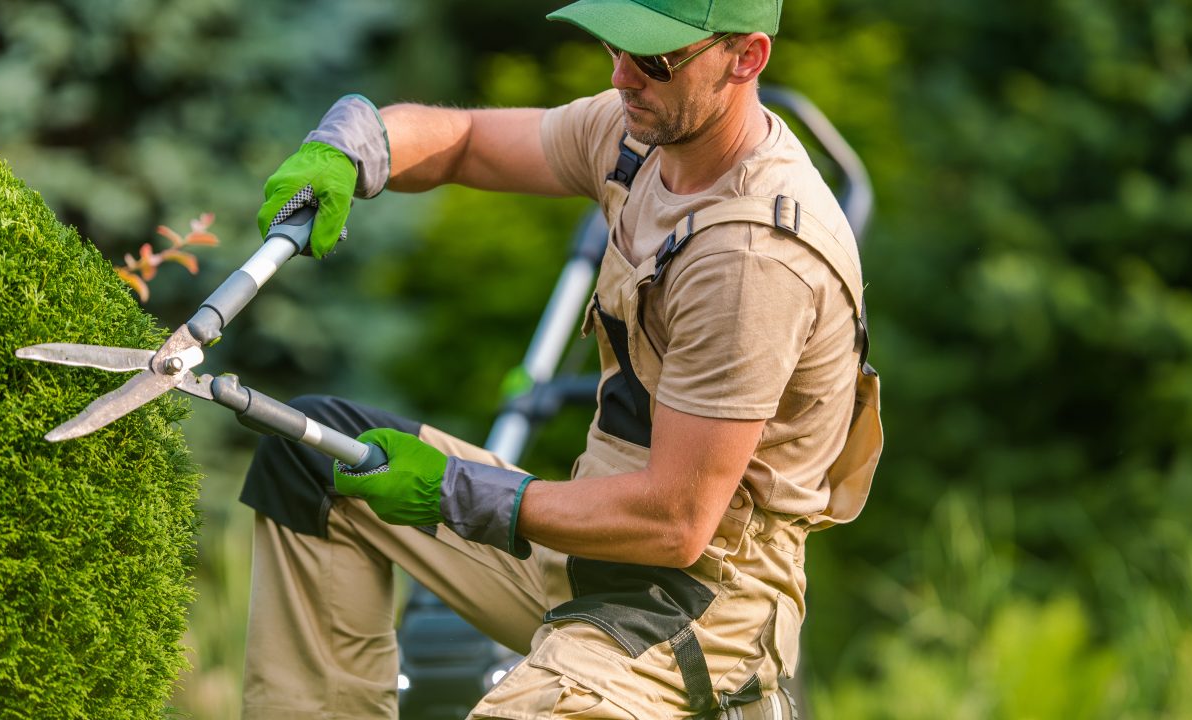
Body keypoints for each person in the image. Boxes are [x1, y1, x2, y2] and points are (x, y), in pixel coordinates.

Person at [238, 0, 882, 717]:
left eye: (654, 60)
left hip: (691, 609)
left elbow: (675, 521)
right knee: (314, 461)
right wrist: (356, 143)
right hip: (579, 548)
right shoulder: (640, 135)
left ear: (747, 59)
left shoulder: (755, 260)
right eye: (616, 47)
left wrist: (457, 489)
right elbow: (467, 141)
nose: (623, 76)